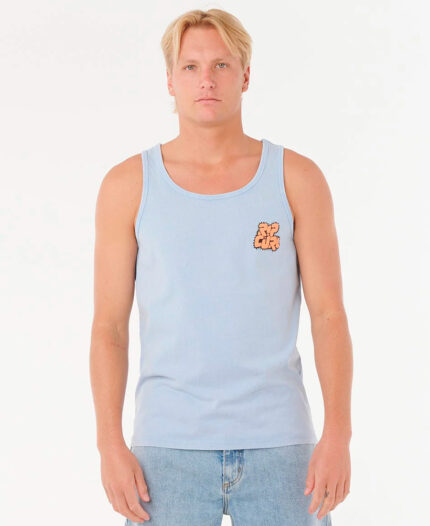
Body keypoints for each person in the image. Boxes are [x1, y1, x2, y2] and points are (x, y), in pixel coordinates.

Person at [90, 8, 352, 526]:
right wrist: (109, 445)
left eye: (221, 65)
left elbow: (329, 316)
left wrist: (339, 435)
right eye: (190, 67)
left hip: (282, 449)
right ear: (170, 80)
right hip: (165, 454)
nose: (205, 80)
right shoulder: (128, 186)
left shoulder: (297, 179)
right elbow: (109, 328)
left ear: (246, 76)